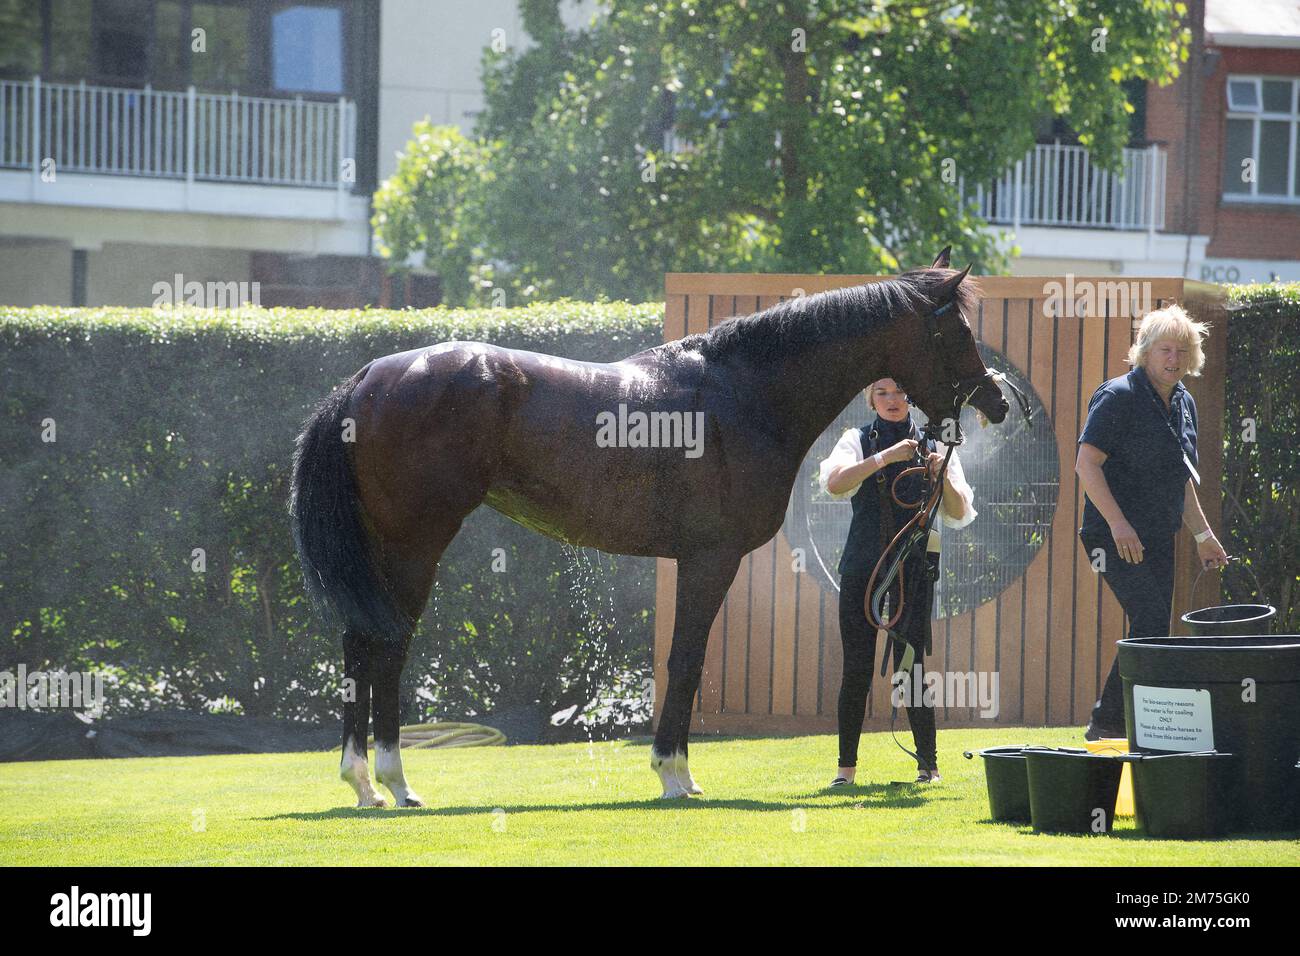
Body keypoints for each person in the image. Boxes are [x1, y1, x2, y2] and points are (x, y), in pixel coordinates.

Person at [1075, 304, 1229, 740]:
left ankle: (1136, 726)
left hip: (1159, 535)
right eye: (1165, 349)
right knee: (1148, 618)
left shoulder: (1184, 403)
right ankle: (1105, 724)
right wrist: (1120, 524)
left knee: (1155, 625)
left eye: (1183, 350)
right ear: (1145, 351)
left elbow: (1181, 478)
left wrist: (1203, 535)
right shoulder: (1118, 396)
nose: (1174, 359)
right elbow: (1086, 465)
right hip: (1111, 536)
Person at [818, 378, 977, 785]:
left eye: (901, 391)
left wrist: (941, 472)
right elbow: (835, 483)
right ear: (870, 397)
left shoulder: (936, 443)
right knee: (856, 667)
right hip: (862, 567)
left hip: (914, 567)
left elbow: (959, 510)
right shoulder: (856, 438)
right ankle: (845, 772)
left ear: (913, 396)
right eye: (883, 393)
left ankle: (929, 767)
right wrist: (886, 457)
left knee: (912, 666)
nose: (893, 400)